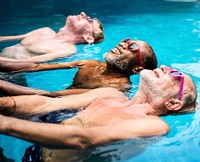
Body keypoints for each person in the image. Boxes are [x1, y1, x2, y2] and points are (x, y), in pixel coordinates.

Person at [0, 65, 197, 161]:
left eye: (176, 75)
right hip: (35, 153)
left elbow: (84, 139)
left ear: (173, 103)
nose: (165, 67)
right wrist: (7, 104)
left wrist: (4, 124)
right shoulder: (109, 93)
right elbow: (44, 104)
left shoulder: (154, 125)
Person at [0, 38, 157, 96]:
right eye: (126, 41)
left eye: (133, 47)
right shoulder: (91, 63)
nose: (123, 44)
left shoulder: (118, 87)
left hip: (62, 115)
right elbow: (36, 67)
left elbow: (55, 95)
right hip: (46, 99)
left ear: (137, 69)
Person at [0, 12, 104, 63]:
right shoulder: (45, 30)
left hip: (8, 75)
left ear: (89, 38)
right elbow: (4, 39)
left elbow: (28, 63)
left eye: (89, 21)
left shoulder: (67, 49)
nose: (83, 13)